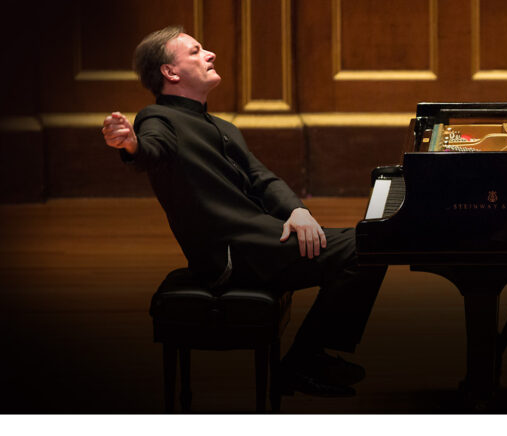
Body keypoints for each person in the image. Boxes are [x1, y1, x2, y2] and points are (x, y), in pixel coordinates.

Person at [102, 26, 386, 397]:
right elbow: (151, 150)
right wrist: (131, 145)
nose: (210, 54)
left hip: (261, 242)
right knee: (368, 247)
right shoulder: (158, 118)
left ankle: (307, 358)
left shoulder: (223, 127)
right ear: (170, 72)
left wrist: (297, 211)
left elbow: (263, 179)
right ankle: (304, 362)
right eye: (195, 51)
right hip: (232, 256)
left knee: (368, 244)